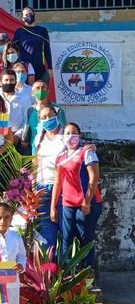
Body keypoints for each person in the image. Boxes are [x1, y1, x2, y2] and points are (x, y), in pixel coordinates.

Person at [51, 123, 102, 269]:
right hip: (67, 203)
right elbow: (57, 183)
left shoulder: (87, 152)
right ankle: (68, 275)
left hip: (87, 203)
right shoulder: (60, 157)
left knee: (86, 239)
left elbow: (94, 178)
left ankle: (88, 275)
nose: (70, 136)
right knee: (67, 239)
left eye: (74, 133)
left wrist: (86, 202)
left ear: (79, 136)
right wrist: (53, 206)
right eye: (67, 133)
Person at [34, 105, 65, 251]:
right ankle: (48, 268)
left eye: (50, 115)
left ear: (56, 115)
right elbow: (35, 162)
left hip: (62, 187)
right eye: (43, 117)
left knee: (64, 226)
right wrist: (33, 186)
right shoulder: (38, 138)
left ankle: (66, 266)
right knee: (46, 227)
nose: (47, 119)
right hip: (42, 187)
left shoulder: (65, 136)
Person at [13, 6, 53, 83]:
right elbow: (14, 50)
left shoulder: (42, 31)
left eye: (30, 14)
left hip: (39, 66)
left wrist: (50, 67)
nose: (29, 16)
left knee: (39, 92)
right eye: (26, 15)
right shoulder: (19, 32)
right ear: (22, 18)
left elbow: (47, 49)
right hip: (24, 67)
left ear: (34, 15)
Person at [25, 80, 66, 154]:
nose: (40, 90)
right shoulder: (30, 110)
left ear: (48, 91)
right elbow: (28, 128)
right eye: (37, 88)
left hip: (55, 149)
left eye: (43, 88)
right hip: (35, 149)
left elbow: (64, 129)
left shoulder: (57, 110)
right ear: (32, 93)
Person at [0, 69, 32, 147]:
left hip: (17, 138)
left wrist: (17, 136)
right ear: (0, 82)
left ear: (15, 82)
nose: (9, 82)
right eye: (6, 80)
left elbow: (27, 120)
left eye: (12, 80)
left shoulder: (24, 98)